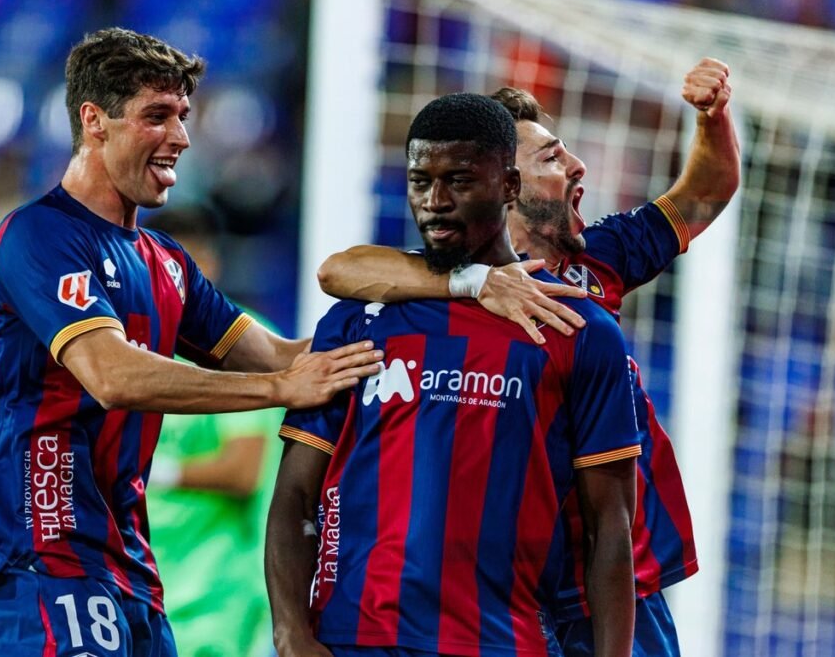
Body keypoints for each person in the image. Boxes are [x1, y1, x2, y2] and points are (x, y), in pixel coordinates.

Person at [0, 27, 383, 657]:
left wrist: (426, 309)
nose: (180, 137)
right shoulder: (38, 237)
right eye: (157, 116)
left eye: (182, 116)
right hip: (40, 561)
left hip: (129, 573)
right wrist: (277, 390)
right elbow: (112, 375)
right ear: (93, 121)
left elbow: (283, 354)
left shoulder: (166, 263)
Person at [316, 58, 740, 656]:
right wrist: (474, 282)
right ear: (505, 185)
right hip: (507, 599)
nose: (577, 165)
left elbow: (703, 193)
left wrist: (712, 118)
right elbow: (340, 269)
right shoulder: (430, 286)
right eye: (551, 158)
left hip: (619, 584)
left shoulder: (597, 261)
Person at [266, 92, 641, 657]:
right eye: (421, 181)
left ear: (509, 186)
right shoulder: (359, 317)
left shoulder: (578, 329)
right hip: (353, 638)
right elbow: (295, 494)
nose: (435, 202)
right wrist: (292, 632)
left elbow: (609, 528)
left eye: (460, 181)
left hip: (500, 642)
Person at [143, 206, 281, 657]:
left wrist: (154, 472)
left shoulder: (245, 345)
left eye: (188, 266)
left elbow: (244, 469)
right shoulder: (129, 347)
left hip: (215, 597)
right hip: (141, 582)